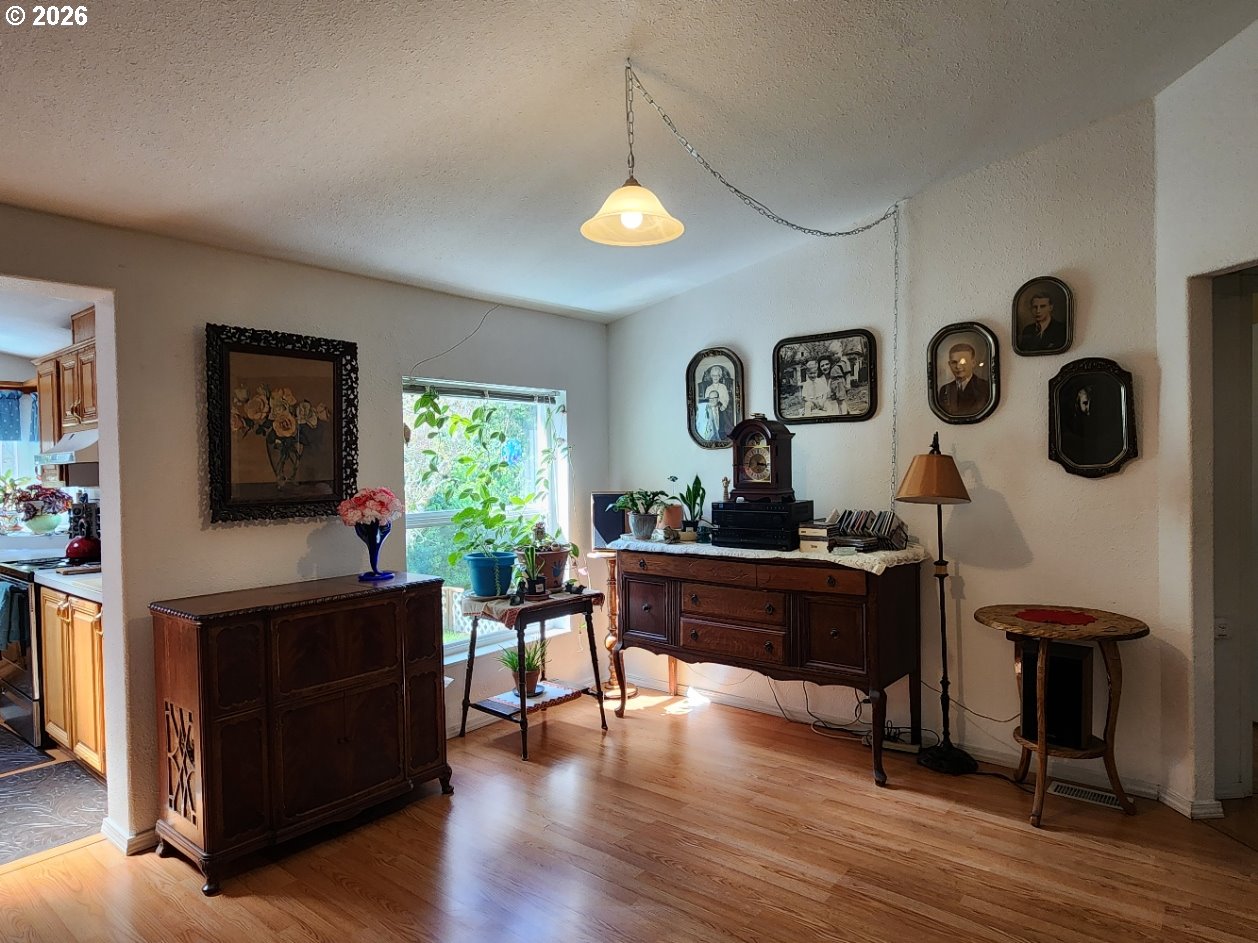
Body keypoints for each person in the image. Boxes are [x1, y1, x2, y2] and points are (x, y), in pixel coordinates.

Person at [937, 342, 991, 416]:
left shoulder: (985, 387)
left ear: (973, 363)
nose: (958, 366)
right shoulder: (944, 389)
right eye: (954, 362)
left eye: (963, 362)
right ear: (949, 364)